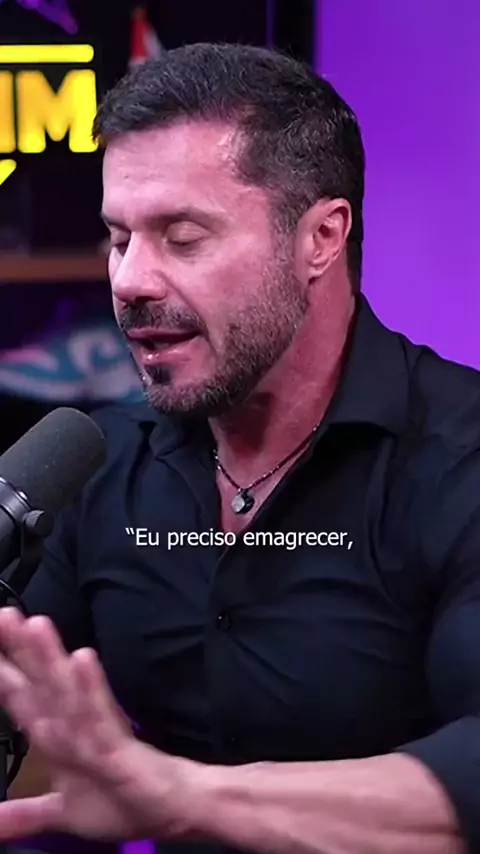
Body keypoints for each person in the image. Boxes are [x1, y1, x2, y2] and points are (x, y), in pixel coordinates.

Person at [1, 41, 480, 854]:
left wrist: (177, 795)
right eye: (119, 239)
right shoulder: (100, 465)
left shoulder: (458, 460)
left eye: (182, 237)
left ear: (321, 237)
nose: (130, 280)